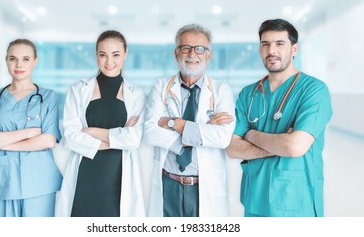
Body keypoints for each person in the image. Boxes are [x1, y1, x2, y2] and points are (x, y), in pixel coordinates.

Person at [227, 19, 333, 217]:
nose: (271, 50)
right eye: (265, 44)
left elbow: (294, 147)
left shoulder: (314, 91)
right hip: (254, 203)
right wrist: (279, 145)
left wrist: (250, 135)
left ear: (294, 49)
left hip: (296, 203)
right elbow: (232, 149)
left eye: (280, 43)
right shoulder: (248, 94)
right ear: (259, 50)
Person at [143, 23, 235, 217]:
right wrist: (198, 134)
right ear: (177, 53)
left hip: (203, 186)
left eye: (200, 49)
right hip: (168, 183)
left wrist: (174, 124)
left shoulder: (221, 91)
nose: (192, 54)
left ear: (208, 55)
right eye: (186, 48)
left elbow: (222, 138)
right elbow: (150, 132)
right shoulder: (161, 87)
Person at [55, 30, 145, 217]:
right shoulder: (79, 89)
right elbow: (71, 137)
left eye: (116, 55)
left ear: (125, 54)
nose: (109, 62)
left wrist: (92, 131)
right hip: (85, 174)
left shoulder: (136, 94)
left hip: (118, 176)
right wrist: (117, 137)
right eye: (103, 55)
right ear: (96, 54)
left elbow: (133, 140)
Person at [0, 39, 62, 217]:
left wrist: (1, 140)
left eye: (26, 59)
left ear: (35, 61)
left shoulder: (48, 97)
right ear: (6, 60)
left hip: (39, 182)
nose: (19, 64)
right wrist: (27, 133)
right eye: (13, 58)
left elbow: (48, 139)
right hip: (3, 181)